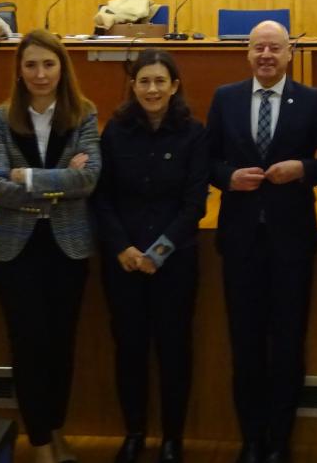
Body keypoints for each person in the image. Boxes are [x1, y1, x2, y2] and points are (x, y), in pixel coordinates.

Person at [206, 20, 317, 463]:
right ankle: (251, 439)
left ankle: (280, 440)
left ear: (289, 53)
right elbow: (208, 158)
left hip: (292, 242)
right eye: (258, 48)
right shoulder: (226, 98)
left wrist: (303, 169)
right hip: (240, 241)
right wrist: (227, 178)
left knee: (288, 343)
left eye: (274, 48)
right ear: (248, 53)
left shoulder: (312, 100)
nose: (266, 55)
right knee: (246, 343)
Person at [0, 29, 101, 463]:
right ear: (19, 70)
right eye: (31, 64)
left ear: (61, 68)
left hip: (66, 248)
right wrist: (58, 181)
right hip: (16, 252)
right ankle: (38, 442)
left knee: (60, 346)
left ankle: (54, 429)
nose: (40, 73)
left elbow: (87, 180)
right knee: (28, 346)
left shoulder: (84, 114)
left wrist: (27, 177)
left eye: (48, 64)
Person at [93, 49, 208, 463]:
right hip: (123, 261)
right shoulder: (115, 132)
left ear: (174, 86)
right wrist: (123, 248)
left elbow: (195, 203)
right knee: (130, 348)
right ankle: (135, 432)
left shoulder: (194, 133)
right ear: (133, 86)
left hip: (174, 261)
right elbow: (101, 198)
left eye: (160, 81)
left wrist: (158, 252)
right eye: (144, 81)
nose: (152, 89)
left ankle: (173, 438)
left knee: (175, 348)